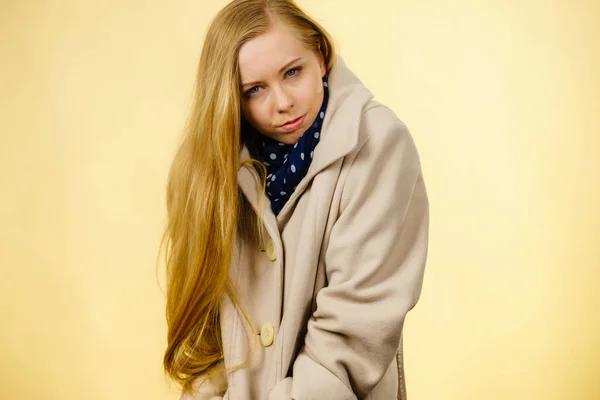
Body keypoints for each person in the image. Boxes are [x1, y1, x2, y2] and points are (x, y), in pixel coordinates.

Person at [161, 0, 429, 399]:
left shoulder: (379, 144)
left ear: (320, 57)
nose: (282, 102)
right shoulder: (205, 170)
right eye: (255, 89)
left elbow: (352, 334)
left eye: (292, 72)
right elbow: (205, 334)